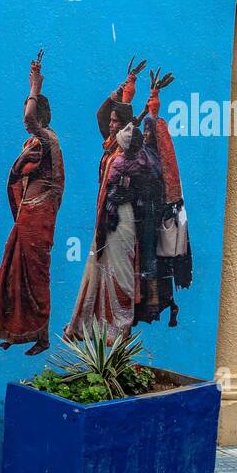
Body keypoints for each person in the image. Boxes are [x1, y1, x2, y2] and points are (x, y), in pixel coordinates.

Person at [63, 59, 162, 343]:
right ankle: (85, 326)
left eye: (115, 122)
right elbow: (100, 114)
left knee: (119, 273)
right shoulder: (111, 147)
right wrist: (121, 91)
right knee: (98, 269)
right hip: (105, 218)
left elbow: (148, 179)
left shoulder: (134, 152)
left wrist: (125, 193)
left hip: (123, 220)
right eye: (110, 122)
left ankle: (118, 328)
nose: (109, 125)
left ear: (124, 127)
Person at [0, 50, 64, 355]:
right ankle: (16, 330)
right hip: (26, 218)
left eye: (31, 109)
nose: (26, 118)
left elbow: (29, 121)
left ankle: (42, 337)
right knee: (12, 273)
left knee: (35, 279)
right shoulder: (33, 143)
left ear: (41, 115)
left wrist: (35, 87)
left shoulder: (48, 139)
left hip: (39, 221)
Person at [137, 68, 192, 327]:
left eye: (149, 132)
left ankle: (158, 304)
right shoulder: (144, 154)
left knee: (156, 259)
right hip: (149, 212)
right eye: (144, 132)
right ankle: (157, 303)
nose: (146, 135)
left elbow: (161, 139)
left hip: (158, 213)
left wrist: (154, 115)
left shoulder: (158, 158)